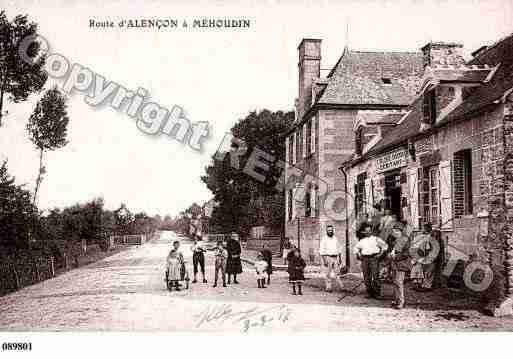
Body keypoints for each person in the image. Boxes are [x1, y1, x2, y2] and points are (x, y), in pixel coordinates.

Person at [353, 224, 388, 299]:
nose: (368, 232)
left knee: (375, 276)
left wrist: (380, 254)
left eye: (369, 231)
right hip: (365, 259)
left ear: (371, 231)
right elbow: (355, 248)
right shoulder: (362, 241)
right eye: (366, 231)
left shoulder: (376, 239)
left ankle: (377, 293)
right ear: (364, 232)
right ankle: (369, 293)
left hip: (374, 258)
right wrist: (359, 254)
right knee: (366, 277)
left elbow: (385, 246)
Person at [388, 222, 412, 309]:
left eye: (396, 231)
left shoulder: (405, 240)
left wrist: (395, 257)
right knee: (395, 282)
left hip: (401, 264)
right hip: (394, 264)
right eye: (394, 231)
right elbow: (391, 250)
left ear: (400, 231)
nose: (395, 233)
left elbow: (406, 254)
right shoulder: (394, 240)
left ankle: (401, 302)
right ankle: (396, 299)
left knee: (399, 282)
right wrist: (390, 255)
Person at [319, 224, 343, 292]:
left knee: (337, 273)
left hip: (335, 257)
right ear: (326, 231)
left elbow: (339, 249)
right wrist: (324, 260)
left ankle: (341, 287)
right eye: (329, 230)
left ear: (333, 230)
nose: (330, 231)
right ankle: (328, 287)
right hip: (327, 257)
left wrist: (340, 259)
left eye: (331, 230)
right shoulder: (324, 239)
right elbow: (322, 250)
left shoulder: (335, 238)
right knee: (327, 274)